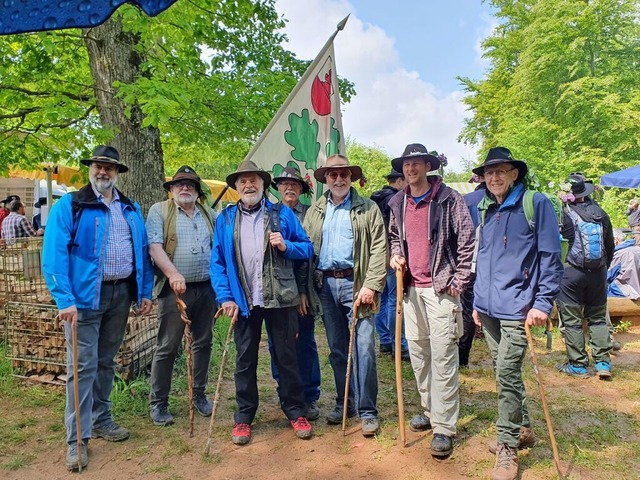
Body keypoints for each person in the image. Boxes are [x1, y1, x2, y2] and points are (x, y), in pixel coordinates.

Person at [42, 145, 153, 471]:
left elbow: (142, 252)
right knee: (82, 367)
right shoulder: (71, 205)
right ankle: (77, 439)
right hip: (83, 301)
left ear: (117, 172)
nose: (103, 172)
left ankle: (102, 418)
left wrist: (143, 291)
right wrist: (65, 299)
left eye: (109, 168)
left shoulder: (130, 208)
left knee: (106, 362)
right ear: (90, 169)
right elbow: (53, 255)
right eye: (98, 167)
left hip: (120, 296)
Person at [471, 147, 563, 480]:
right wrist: (477, 303)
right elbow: (481, 258)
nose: (494, 177)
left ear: (514, 174)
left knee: (507, 374)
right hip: (489, 308)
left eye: (501, 171)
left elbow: (551, 258)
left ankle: (507, 446)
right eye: (488, 173)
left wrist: (542, 303)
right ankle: (523, 427)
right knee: (502, 371)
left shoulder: (534, 204)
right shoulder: (485, 208)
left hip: (518, 308)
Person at [210, 160, 314, 445]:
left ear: (263, 184)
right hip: (244, 301)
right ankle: (244, 416)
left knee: (287, 356)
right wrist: (225, 297)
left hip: (280, 299)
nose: (248, 185)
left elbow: (307, 248)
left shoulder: (282, 214)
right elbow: (217, 262)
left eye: (253, 179)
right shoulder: (226, 218)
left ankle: (295, 410)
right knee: (244, 360)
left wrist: (286, 246)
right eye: (242, 181)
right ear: (236, 187)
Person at [388, 143, 474, 457]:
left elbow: (467, 241)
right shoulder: (398, 201)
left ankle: (444, 427)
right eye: (406, 165)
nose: (411, 170)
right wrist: (396, 255)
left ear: (427, 166)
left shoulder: (450, 199)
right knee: (420, 354)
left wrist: (459, 282)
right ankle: (429, 409)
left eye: (417, 164)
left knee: (443, 357)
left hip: (441, 290)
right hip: (410, 290)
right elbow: (395, 237)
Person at [303, 154, 387, 437]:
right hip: (325, 286)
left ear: (351, 177)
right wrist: (306, 289)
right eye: (333, 175)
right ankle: (345, 402)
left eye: (344, 174)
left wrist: (372, 285)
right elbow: (306, 249)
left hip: (357, 286)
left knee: (363, 348)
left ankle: (367, 411)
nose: (338, 179)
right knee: (338, 350)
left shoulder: (368, 208)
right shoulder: (315, 210)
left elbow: (379, 248)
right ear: (326, 178)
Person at [146, 166, 217, 426]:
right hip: (174, 290)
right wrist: (173, 274)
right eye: (179, 185)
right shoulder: (160, 211)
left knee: (203, 342)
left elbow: (218, 248)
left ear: (197, 191)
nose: (185, 188)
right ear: (172, 190)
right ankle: (159, 403)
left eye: (190, 184)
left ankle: (198, 394)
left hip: (206, 288)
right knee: (167, 346)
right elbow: (154, 246)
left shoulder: (209, 214)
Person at [266, 166, 322, 421]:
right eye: (284, 184)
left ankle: (309, 395)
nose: (289, 188)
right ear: (277, 188)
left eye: (294, 184)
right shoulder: (268, 213)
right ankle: (286, 392)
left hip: (304, 289)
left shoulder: (311, 214)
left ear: (302, 189)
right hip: (276, 292)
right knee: (279, 344)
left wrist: (303, 291)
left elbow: (311, 255)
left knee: (306, 342)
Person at [556, 173, 614, 380]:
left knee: (572, 321)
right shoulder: (600, 213)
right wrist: (603, 269)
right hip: (598, 273)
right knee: (597, 319)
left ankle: (578, 366)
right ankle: (603, 363)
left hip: (571, 273)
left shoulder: (563, 213)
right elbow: (610, 246)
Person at [370, 169, 409, 359]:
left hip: (376, 255)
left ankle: (385, 341)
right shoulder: (396, 200)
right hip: (392, 254)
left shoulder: (374, 198)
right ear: (400, 180)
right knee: (394, 300)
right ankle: (399, 344)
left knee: (382, 299)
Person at [459, 174, 486, 367]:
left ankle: (462, 357)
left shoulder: (466, 201)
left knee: (466, 310)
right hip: (494, 265)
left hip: (469, 263)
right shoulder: (507, 201)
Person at [608, 229, 640, 299]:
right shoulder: (637, 249)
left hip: (627, 293)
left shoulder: (619, 254)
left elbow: (607, 276)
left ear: (615, 240)